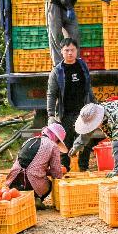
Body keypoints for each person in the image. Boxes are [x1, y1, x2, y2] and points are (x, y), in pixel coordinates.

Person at [46, 38, 97, 170]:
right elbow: (51, 95)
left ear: (76, 51)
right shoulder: (57, 72)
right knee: (65, 143)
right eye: (66, 50)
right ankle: (64, 169)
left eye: (72, 50)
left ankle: (83, 168)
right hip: (66, 114)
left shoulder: (82, 66)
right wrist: (51, 114)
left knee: (85, 141)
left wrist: (95, 104)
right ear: (61, 52)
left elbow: (88, 88)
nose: (70, 53)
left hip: (83, 112)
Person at [5, 124, 67, 209]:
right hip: (32, 184)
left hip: (13, 182)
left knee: (19, 189)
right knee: (49, 183)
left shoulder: (29, 140)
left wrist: (47, 171)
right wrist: (62, 172)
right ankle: (36, 199)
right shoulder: (53, 146)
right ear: (55, 137)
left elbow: (29, 164)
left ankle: (19, 199)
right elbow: (56, 173)